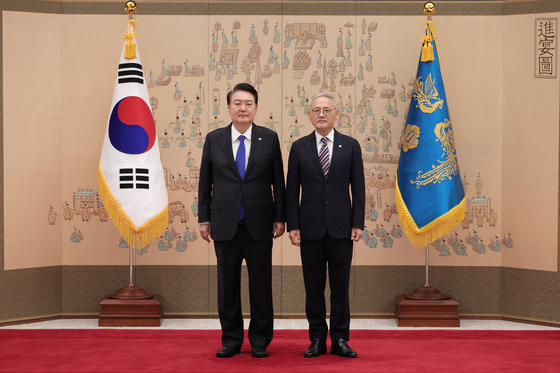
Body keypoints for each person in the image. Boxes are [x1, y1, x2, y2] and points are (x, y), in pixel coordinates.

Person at [198, 83, 286, 358]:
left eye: (248, 103)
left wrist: (280, 218)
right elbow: (205, 182)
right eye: (237, 103)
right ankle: (231, 339)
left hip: (260, 222)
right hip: (224, 223)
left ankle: (260, 339)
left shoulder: (269, 138)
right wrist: (204, 218)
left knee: (261, 285)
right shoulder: (214, 139)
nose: (243, 108)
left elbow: (278, 183)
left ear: (256, 108)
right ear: (228, 108)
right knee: (227, 286)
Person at [286, 92, 365, 358]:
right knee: (314, 288)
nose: (321, 114)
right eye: (316, 110)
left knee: (341, 288)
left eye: (327, 110)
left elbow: (359, 188)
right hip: (309, 230)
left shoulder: (350, 145)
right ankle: (317, 338)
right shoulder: (299, 147)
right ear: (309, 115)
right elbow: (291, 190)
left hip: (342, 229)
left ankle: (341, 339)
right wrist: (293, 225)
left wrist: (358, 223)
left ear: (336, 114)